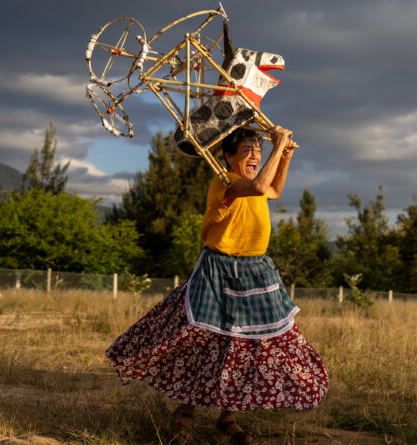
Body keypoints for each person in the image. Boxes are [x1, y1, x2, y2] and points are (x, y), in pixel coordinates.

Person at [105, 126, 328, 444]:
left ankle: (228, 418)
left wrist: (286, 155)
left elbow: (274, 190)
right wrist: (277, 146)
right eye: (247, 151)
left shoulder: (255, 184)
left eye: (258, 150)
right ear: (228, 156)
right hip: (219, 269)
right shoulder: (226, 182)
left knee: (246, 346)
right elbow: (260, 185)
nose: (255, 155)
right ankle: (185, 411)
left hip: (255, 271)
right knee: (205, 340)